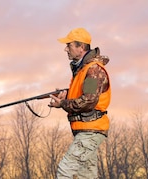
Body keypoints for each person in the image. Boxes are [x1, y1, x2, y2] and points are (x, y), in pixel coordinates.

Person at [48, 27, 111, 179]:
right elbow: (85, 96)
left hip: (90, 131)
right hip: (85, 130)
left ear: (81, 47)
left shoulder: (93, 70)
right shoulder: (82, 70)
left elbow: (88, 101)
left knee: (65, 171)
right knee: (86, 176)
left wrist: (63, 103)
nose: (65, 49)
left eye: (69, 45)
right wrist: (66, 97)